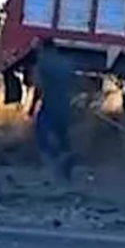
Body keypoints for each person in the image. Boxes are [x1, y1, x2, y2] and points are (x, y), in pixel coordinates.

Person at [29, 37, 76, 181]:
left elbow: (39, 88)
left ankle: (53, 167)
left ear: (43, 48)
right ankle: (66, 163)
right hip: (65, 106)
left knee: (42, 136)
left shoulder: (41, 64)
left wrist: (32, 107)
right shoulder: (68, 63)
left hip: (49, 105)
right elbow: (75, 85)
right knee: (63, 136)